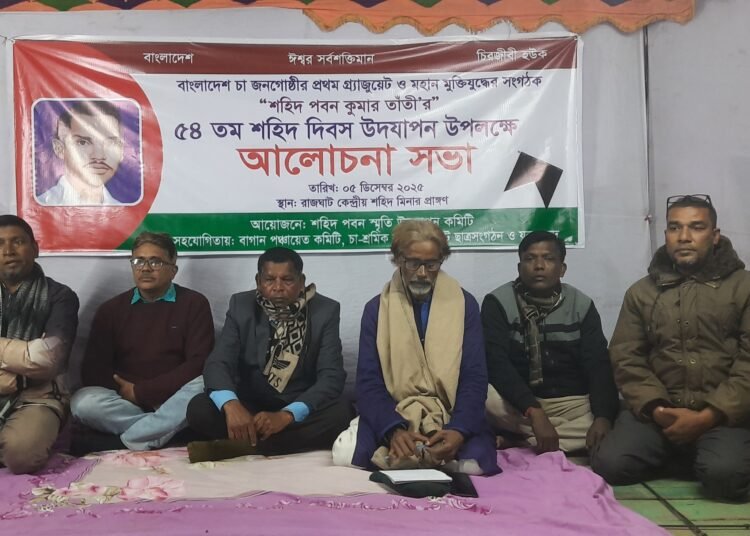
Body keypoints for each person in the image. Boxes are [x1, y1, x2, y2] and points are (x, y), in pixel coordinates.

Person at [591, 195, 750, 501]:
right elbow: (626, 357)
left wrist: (708, 416)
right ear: (666, 235)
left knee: (725, 478)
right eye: (675, 228)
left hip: (724, 415)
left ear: (715, 235)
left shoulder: (743, 287)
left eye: (696, 227)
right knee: (610, 464)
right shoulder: (641, 292)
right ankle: (692, 455)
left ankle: (710, 455)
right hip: (660, 415)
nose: (684, 237)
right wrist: (657, 408)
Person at [333, 220, 500, 476]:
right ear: (398, 260)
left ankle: (431, 452)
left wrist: (458, 430)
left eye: (431, 265)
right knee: (347, 455)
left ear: (441, 261)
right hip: (395, 411)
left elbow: (474, 376)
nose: (422, 273)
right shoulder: (377, 309)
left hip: (449, 412)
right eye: (413, 263)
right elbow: (368, 382)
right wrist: (394, 430)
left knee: (473, 465)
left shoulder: (464, 305)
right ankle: (414, 450)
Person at [186, 247, 352, 462]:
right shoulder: (241, 305)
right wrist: (232, 405)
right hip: (249, 405)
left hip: (297, 406)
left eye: (287, 280)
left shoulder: (325, 310)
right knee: (198, 408)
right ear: (258, 281)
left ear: (301, 281)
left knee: (342, 412)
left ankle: (243, 447)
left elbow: (331, 376)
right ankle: (271, 444)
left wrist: (287, 415)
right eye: (269, 280)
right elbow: (218, 363)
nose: (278, 288)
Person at [71, 232, 214, 452]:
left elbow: (199, 363)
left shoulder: (194, 303)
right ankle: (169, 430)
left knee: (204, 384)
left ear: (173, 270)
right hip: (127, 401)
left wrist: (144, 391)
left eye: (155, 262)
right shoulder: (111, 309)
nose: (145, 269)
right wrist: (133, 395)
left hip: (174, 396)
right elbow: (93, 369)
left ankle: (122, 441)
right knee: (83, 402)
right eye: (138, 261)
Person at [481, 231, 619, 455]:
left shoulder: (581, 304)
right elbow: (496, 363)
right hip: (521, 406)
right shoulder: (497, 302)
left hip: (572, 404)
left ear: (562, 268)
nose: (539, 266)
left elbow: (598, 364)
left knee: (613, 414)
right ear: (519, 267)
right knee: (485, 398)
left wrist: (603, 417)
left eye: (548, 258)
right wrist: (533, 410)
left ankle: (524, 442)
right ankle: (559, 439)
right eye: (530, 259)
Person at [0, 215, 79, 473]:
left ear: (35, 248)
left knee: (22, 454)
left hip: (39, 396)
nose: (8, 251)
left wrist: (20, 376)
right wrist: (24, 355)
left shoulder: (60, 297)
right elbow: (34, 355)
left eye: (17, 242)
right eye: (0, 244)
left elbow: (48, 359)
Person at [38, 100, 125, 206]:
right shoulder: (39, 206)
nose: (99, 156)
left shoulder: (127, 211)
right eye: (83, 142)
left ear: (121, 151)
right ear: (59, 148)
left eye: (110, 143)